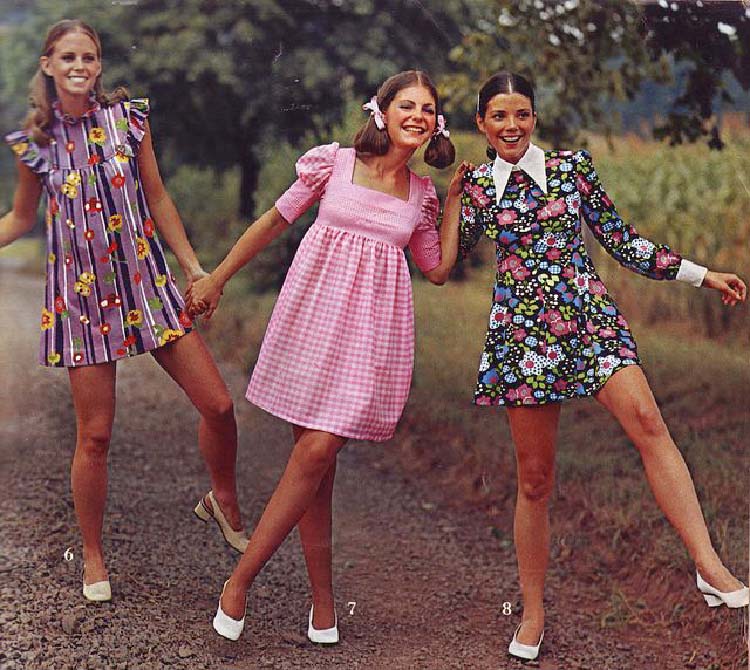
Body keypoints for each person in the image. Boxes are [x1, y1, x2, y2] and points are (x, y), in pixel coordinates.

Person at [452, 72, 748, 661]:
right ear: (481, 125)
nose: (512, 126)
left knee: (649, 424)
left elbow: (623, 240)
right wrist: (451, 198)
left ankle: (708, 564)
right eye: (500, 117)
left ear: (534, 118)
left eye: (523, 114)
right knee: (534, 480)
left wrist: (701, 273)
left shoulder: (572, 169)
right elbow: (441, 260)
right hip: (521, 337)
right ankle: (533, 611)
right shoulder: (477, 186)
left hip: (590, 322)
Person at [187, 69, 466, 643]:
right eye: (406, 105)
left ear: (436, 122)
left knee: (316, 453)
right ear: (381, 112)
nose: (418, 115)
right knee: (315, 468)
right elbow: (273, 221)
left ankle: (240, 582)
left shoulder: (422, 195)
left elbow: (436, 271)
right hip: (311, 320)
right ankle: (324, 608)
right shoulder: (333, 164)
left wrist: (456, 202)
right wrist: (217, 278)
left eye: (428, 108)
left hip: (372, 340)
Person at [1, 20, 248, 603]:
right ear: (47, 65)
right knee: (96, 436)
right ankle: (91, 554)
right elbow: (20, 218)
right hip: (81, 302)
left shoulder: (127, 121)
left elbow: (156, 194)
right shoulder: (33, 143)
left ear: (100, 63)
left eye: (89, 55)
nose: (80, 64)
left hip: (147, 285)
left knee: (218, 403)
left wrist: (194, 269)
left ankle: (223, 496)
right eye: (67, 56)